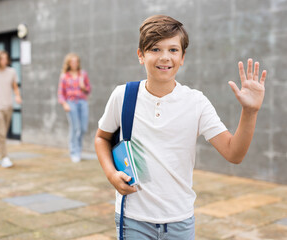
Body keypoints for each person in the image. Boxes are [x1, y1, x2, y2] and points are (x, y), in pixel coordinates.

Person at [95, 15, 267, 240]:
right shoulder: (123, 96)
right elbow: (102, 138)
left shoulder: (196, 102)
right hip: (133, 219)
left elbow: (234, 153)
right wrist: (111, 174)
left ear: (183, 57)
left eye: (173, 50)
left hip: (180, 221)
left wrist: (250, 112)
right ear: (140, 55)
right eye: (155, 49)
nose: (165, 57)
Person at [58, 53, 91, 163]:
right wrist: (64, 104)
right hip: (71, 103)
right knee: (75, 128)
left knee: (83, 128)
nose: (75, 64)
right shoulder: (64, 76)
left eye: (76, 61)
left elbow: (88, 90)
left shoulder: (83, 74)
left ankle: (79, 150)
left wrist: (83, 87)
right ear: (68, 63)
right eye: (72, 62)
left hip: (82, 102)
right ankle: (74, 152)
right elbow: (60, 93)